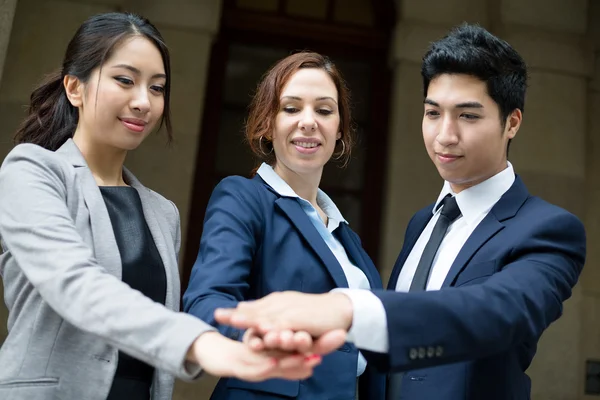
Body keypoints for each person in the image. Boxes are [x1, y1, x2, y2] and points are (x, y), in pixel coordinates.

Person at [214, 24, 587, 400]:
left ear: (512, 123)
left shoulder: (549, 229)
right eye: (433, 113)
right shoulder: (422, 223)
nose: (445, 135)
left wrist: (348, 310)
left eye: (468, 116)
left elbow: (494, 313)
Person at [0, 12, 328, 400]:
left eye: (157, 88)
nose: (143, 102)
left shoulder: (162, 213)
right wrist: (201, 343)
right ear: (75, 87)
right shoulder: (32, 171)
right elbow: (75, 284)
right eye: (125, 80)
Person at [183, 51, 386, 399]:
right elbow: (207, 303)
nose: (308, 121)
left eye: (324, 110)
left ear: (340, 131)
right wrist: (266, 341)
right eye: (291, 108)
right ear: (267, 123)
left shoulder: (346, 237)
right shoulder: (243, 198)